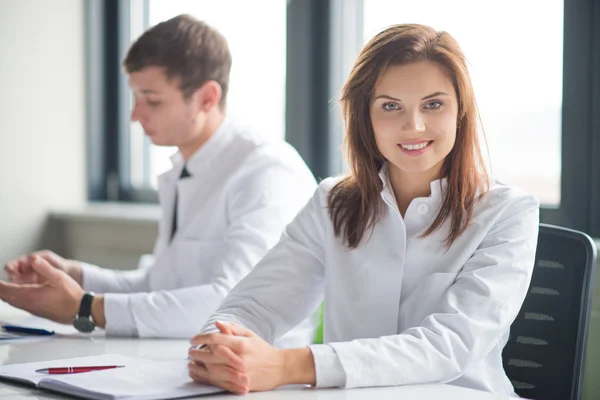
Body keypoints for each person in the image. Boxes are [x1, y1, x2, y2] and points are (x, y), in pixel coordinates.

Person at [186, 23, 540, 396]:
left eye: (433, 104)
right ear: (364, 117)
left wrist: (289, 365)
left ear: (461, 111)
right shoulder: (331, 201)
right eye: (390, 106)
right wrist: (219, 348)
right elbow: (253, 306)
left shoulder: (509, 213)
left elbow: (447, 346)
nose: (414, 126)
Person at [0, 14, 318, 347]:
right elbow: (161, 285)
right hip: (184, 356)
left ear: (208, 98)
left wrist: (85, 307)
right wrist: (75, 276)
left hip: (256, 378)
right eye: (136, 98)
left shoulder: (267, 174)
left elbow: (232, 307)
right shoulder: (187, 166)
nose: (136, 116)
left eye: (152, 100)